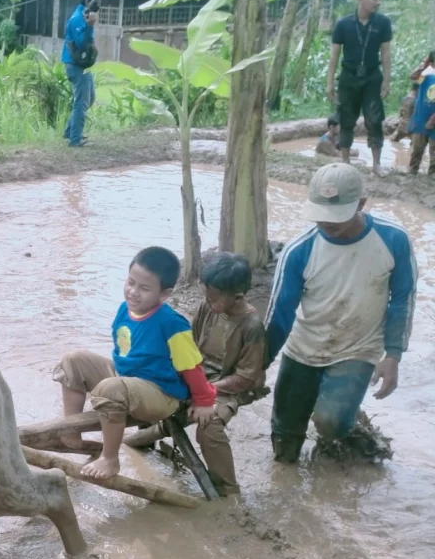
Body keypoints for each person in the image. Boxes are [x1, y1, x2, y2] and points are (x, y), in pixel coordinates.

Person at [264, 162, 417, 463]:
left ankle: (346, 428)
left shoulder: (393, 240)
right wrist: (258, 364)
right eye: (320, 215)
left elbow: (402, 299)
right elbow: (278, 315)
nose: (327, 223)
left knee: (331, 423)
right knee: (284, 442)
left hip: (357, 348)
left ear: (361, 203)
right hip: (304, 348)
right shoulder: (299, 250)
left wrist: (393, 356)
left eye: (336, 216)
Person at [52, 246, 217, 480]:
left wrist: (204, 400)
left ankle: (110, 458)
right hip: (126, 379)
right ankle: (72, 430)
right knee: (73, 360)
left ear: (164, 294)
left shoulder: (172, 324)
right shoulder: (125, 309)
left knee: (110, 389)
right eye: (131, 283)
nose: (133, 292)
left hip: (160, 393)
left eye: (144, 288)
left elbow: (191, 367)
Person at [125, 253, 266, 496]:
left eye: (214, 299)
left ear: (238, 296)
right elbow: (188, 346)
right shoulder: (206, 307)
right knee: (146, 381)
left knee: (208, 424)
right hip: (199, 377)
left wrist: (205, 392)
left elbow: (246, 378)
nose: (209, 303)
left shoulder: (251, 326)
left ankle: (228, 491)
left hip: (228, 387)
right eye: (207, 297)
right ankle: (137, 439)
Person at [326, 0, 393, 176]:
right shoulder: (343, 24)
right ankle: (345, 162)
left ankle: (376, 165)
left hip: (372, 77)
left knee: (374, 119)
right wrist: (330, 83)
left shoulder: (382, 23)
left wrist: (386, 81)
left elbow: (386, 54)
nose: (378, 2)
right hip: (348, 78)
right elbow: (334, 56)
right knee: (346, 119)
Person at [62, 0, 107, 148]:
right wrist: (89, 28)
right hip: (75, 65)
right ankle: (75, 140)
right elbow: (80, 44)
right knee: (81, 102)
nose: (99, 3)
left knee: (90, 98)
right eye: (96, 0)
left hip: (81, 65)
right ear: (87, 0)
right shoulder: (77, 20)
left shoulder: (84, 15)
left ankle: (69, 132)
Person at [407, 50, 435, 175]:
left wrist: (433, 119)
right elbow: (413, 76)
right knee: (417, 150)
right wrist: (424, 64)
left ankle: (432, 176)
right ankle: (412, 172)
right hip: (421, 117)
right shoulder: (426, 75)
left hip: (432, 118)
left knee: (434, 151)